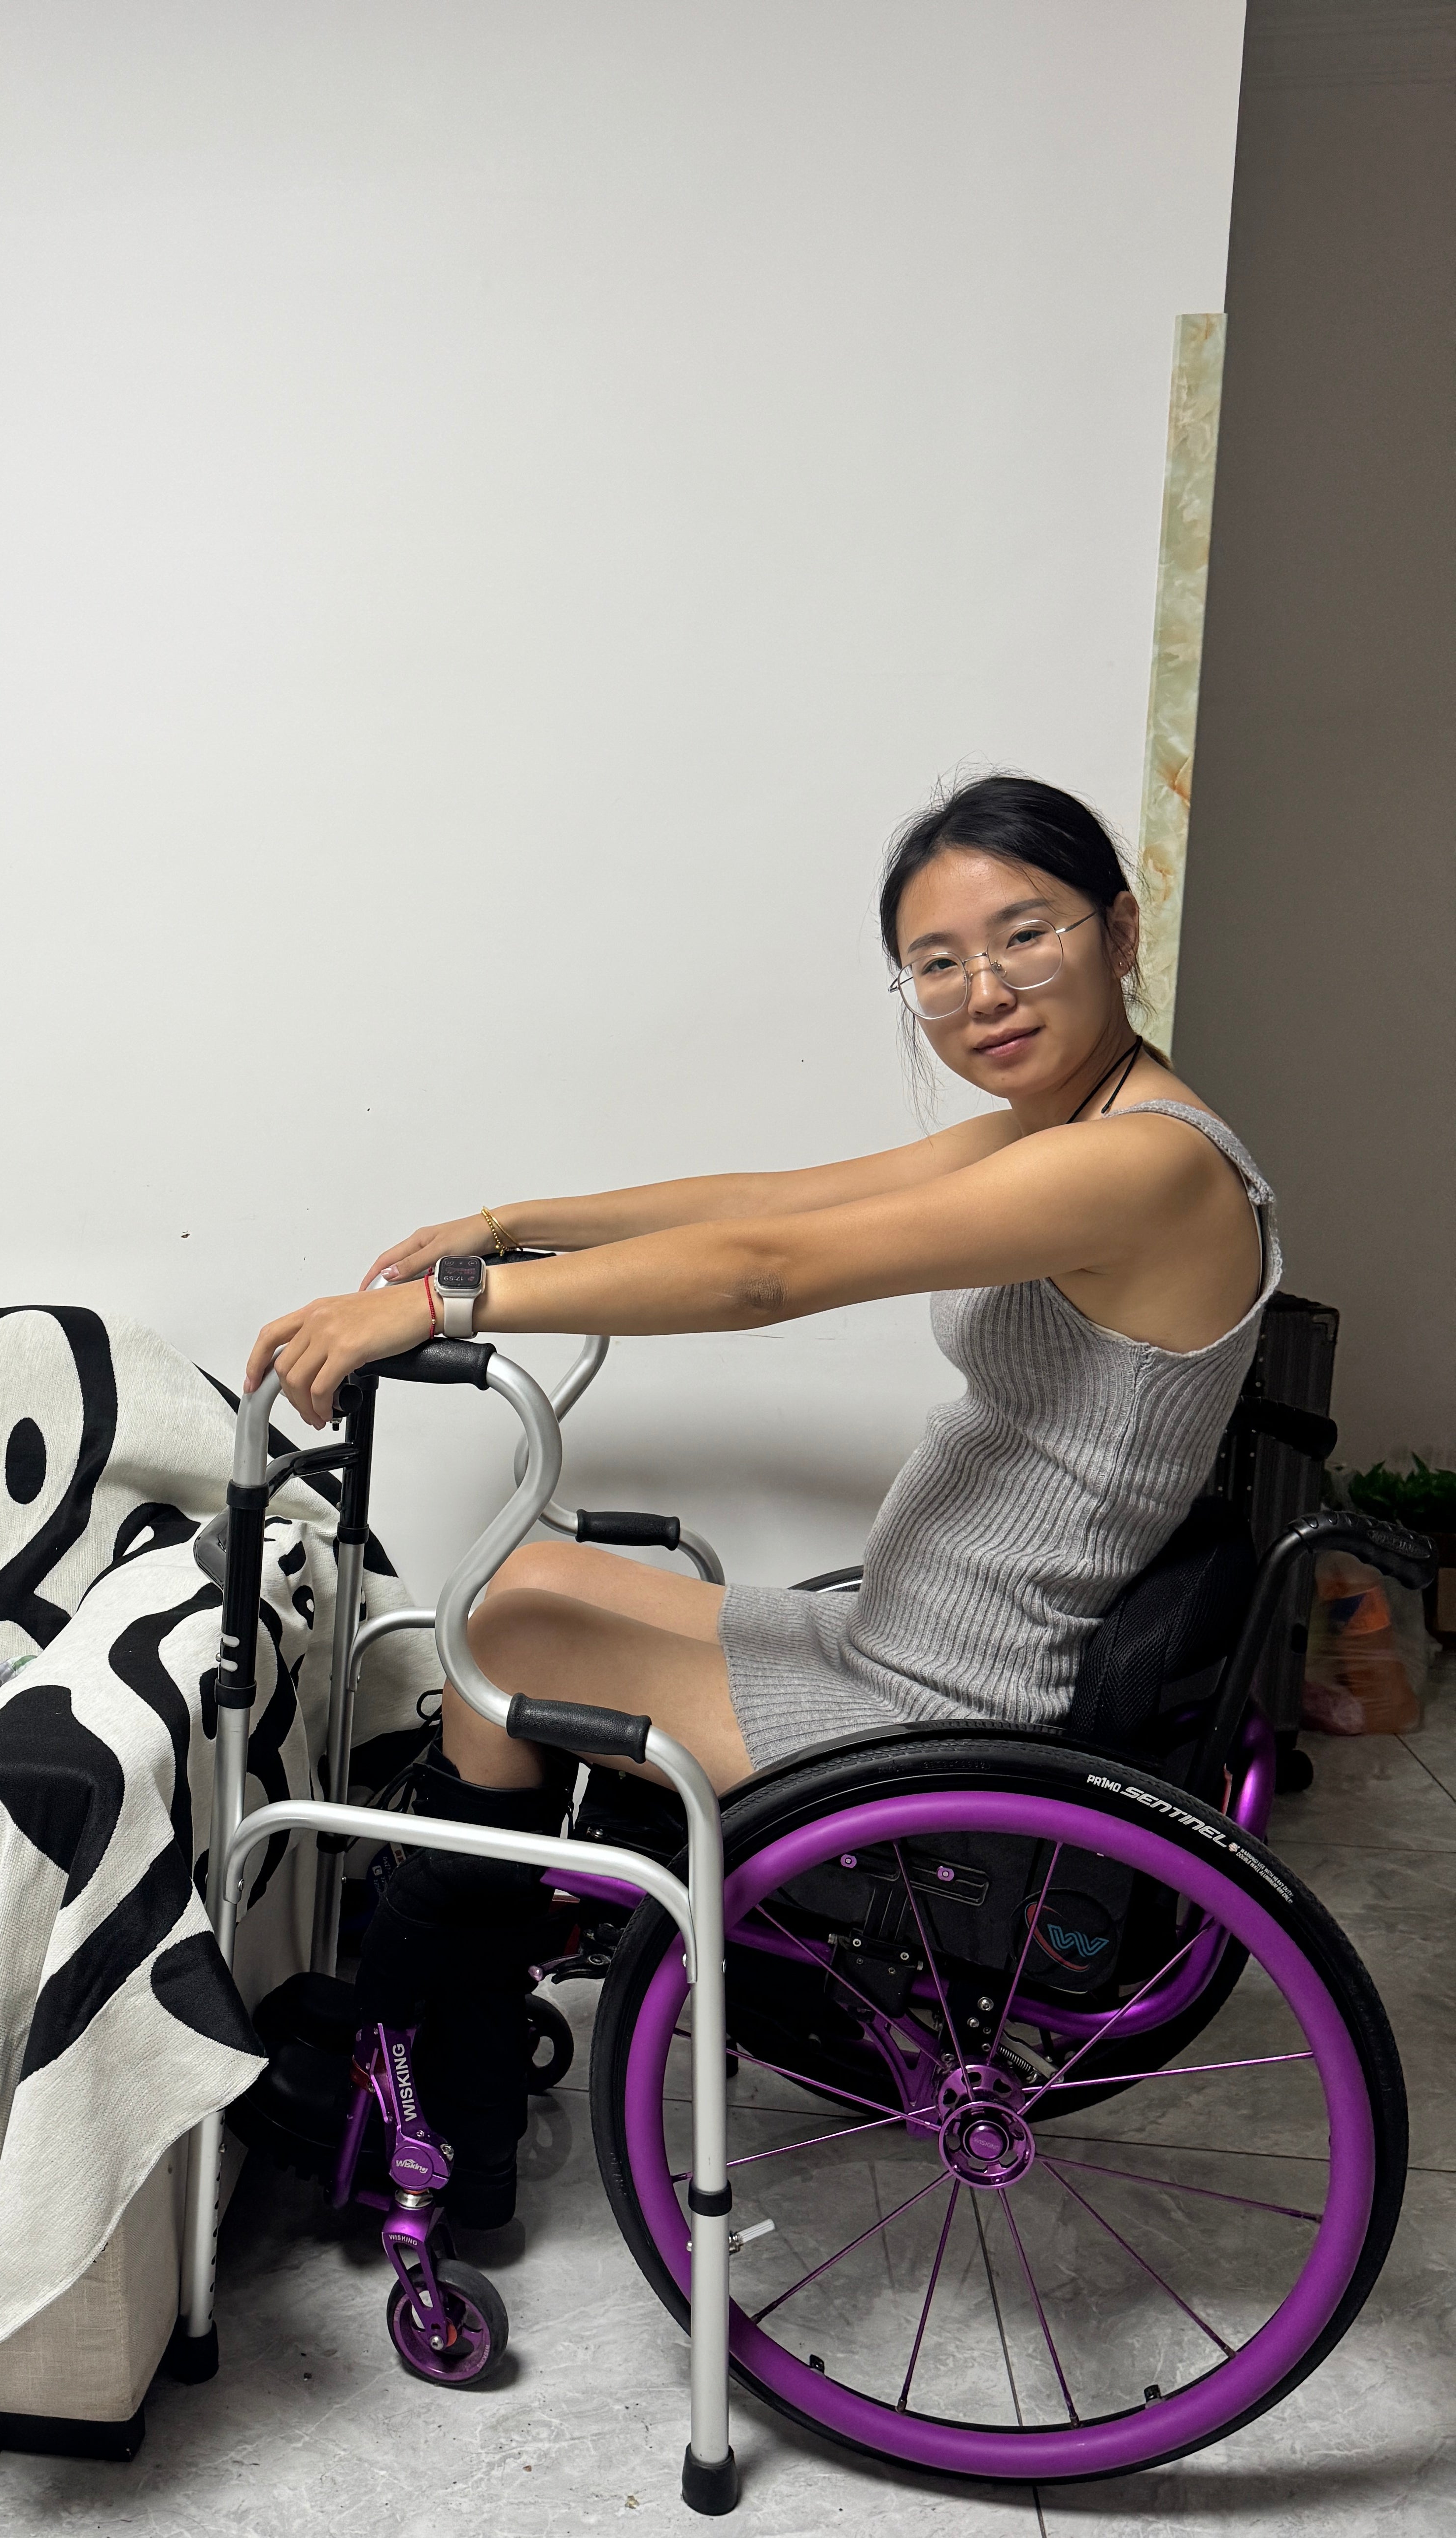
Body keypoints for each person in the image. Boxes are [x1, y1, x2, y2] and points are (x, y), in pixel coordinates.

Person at [243, 774, 1280, 2225]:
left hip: (949, 1704)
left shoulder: (1145, 1164)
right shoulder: (1073, 1121)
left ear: (1116, 932)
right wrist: (509, 1223)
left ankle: (432, 2108)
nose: (983, 991)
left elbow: (763, 1277)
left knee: (505, 1637)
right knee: (524, 1590)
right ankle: (426, 2027)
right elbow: (781, 1203)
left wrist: (442, 1303)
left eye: (1024, 935)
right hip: (907, 1646)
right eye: (936, 962)